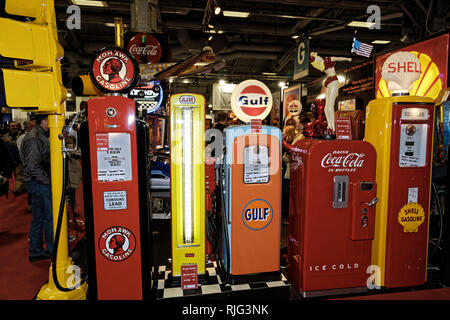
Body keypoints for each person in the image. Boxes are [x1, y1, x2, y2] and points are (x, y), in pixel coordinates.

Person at [21, 115, 53, 262]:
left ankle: (36, 250)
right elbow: (32, 165)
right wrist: (46, 181)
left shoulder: (38, 135)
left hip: (37, 181)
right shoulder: (35, 138)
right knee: (47, 218)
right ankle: (53, 250)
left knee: (39, 218)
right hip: (39, 182)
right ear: (44, 121)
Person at [309, 52, 352, 133]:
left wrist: (348, 59)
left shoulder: (322, 64)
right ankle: (331, 126)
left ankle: (331, 126)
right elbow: (338, 58)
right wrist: (348, 58)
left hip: (330, 81)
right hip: (331, 81)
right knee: (328, 106)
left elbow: (338, 58)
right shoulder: (326, 60)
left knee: (328, 106)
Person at [17, 120, 36, 212]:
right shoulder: (22, 138)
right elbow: (23, 154)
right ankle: (31, 205)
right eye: (33, 126)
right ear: (28, 127)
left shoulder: (37, 136)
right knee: (31, 186)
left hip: (38, 166)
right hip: (29, 166)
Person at [1, 121, 25, 195]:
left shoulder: (22, 135)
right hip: (9, 159)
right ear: (9, 127)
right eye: (12, 126)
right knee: (14, 174)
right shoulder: (5, 136)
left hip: (19, 158)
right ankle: (22, 187)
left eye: (15, 126)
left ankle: (18, 189)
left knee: (19, 174)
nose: (14, 128)